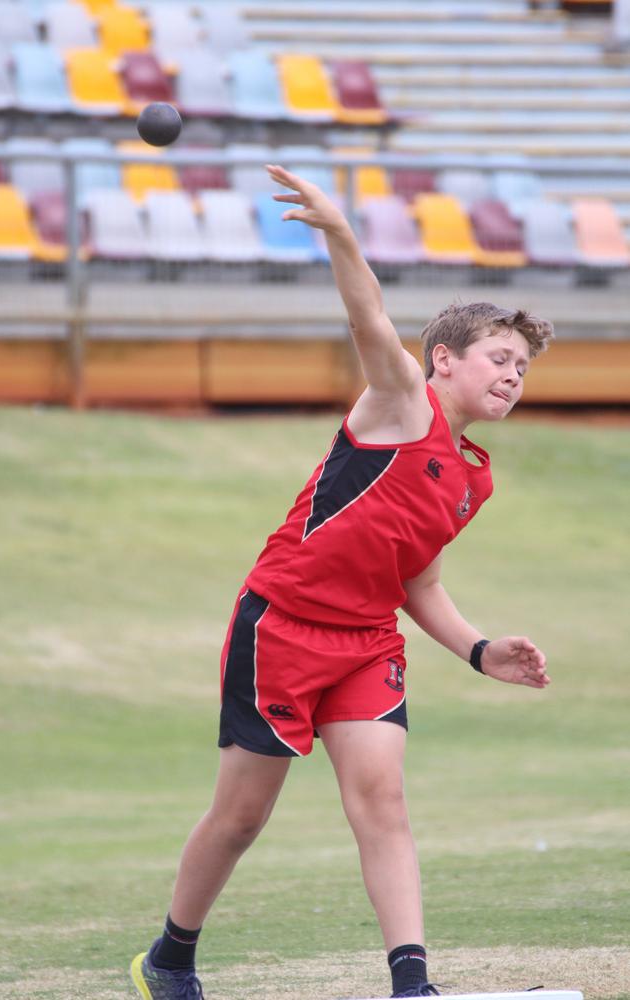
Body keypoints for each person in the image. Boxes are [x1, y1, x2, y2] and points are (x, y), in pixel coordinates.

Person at [131, 165, 554, 1000]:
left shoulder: (472, 477)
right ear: (444, 359)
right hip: (281, 628)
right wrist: (342, 233)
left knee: (382, 803)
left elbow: (418, 582)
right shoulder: (401, 403)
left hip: (365, 643)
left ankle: (412, 984)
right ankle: (170, 957)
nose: (513, 374)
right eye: (500, 358)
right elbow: (368, 319)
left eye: (523, 367)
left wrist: (477, 648)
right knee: (242, 817)